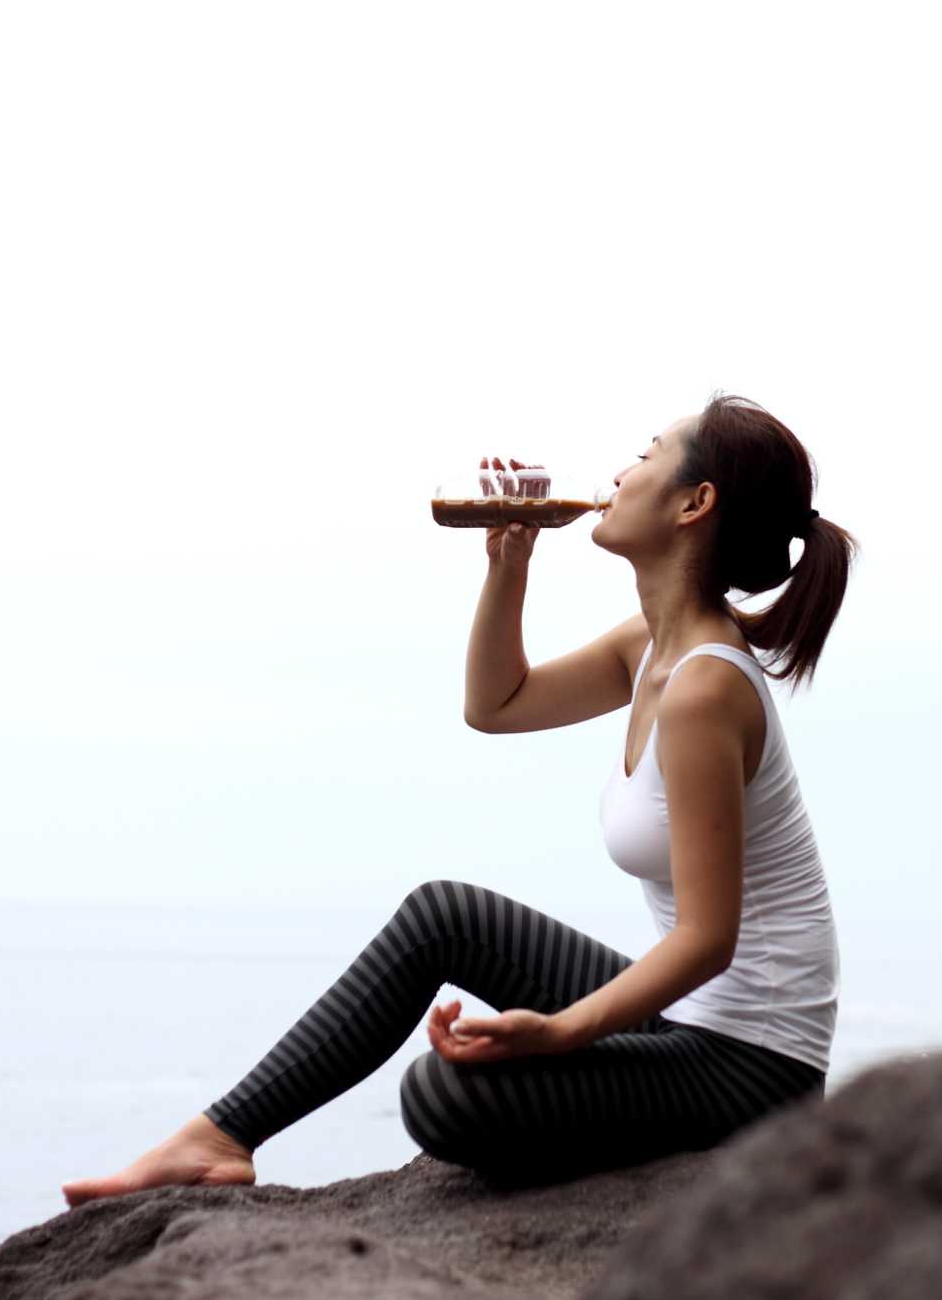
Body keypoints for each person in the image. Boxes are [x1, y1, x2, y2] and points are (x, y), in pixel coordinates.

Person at [61, 392, 856, 1204]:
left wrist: (559, 1033)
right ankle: (219, 1135)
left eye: (647, 452)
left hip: (754, 1074)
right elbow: (497, 705)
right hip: (692, 1027)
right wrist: (507, 567)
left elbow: (707, 939)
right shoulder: (649, 644)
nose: (621, 471)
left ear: (695, 502)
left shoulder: (705, 690)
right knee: (443, 915)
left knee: (442, 1093)